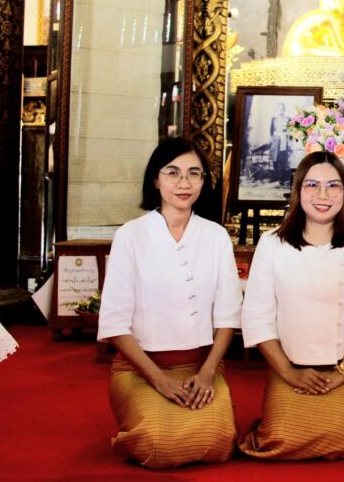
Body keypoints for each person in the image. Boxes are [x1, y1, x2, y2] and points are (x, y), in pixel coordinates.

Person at [97, 137, 241, 469]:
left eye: (194, 173)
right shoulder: (131, 235)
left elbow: (227, 316)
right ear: (155, 179)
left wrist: (207, 373)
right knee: (157, 444)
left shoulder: (216, 236)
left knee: (220, 442)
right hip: (140, 369)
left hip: (201, 367)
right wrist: (158, 379)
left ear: (204, 180)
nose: (184, 183)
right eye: (173, 173)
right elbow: (115, 324)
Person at [239, 151, 344, 460]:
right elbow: (257, 317)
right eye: (312, 185)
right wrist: (288, 372)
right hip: (288, 365)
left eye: (333, 186)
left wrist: (343, 371)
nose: (323, 195)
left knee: (340, 440)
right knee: (278, 440)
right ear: (298, 190)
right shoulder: (272, 243)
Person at [269, 102, 292, 185]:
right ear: (277, 109)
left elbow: (290, 131)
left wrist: (288, 140)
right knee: (275, 159)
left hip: (283, 141)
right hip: (275, 141)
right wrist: (273, 139)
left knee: (282, 160)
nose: (280, 110)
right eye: (279, 108)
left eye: (282, 108)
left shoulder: (288, 119)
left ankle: (281, 179)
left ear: (284, 110)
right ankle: (275, 176)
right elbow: (271, 131)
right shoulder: (273, 119)